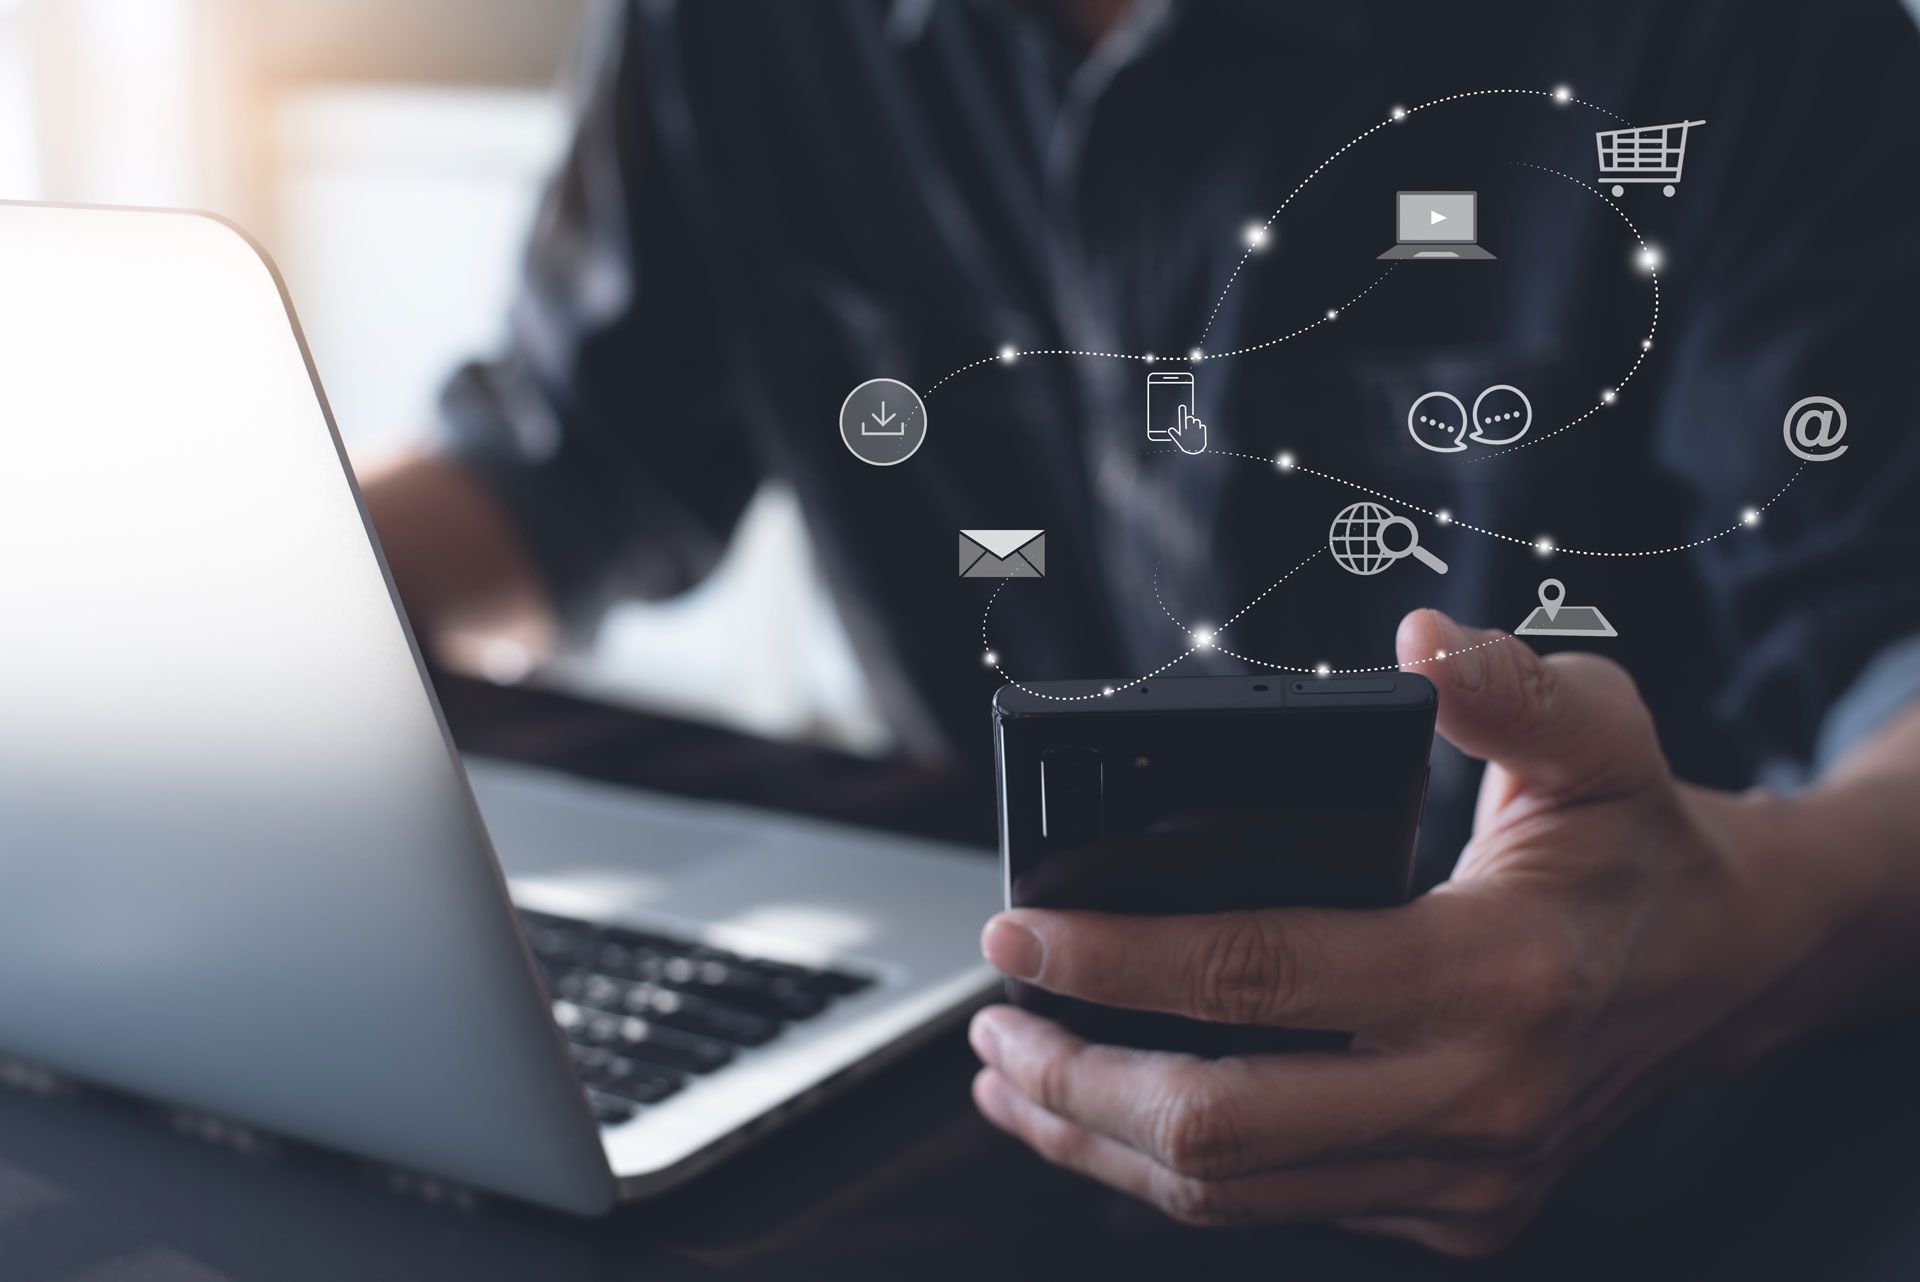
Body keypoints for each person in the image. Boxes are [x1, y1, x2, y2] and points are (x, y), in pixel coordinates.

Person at [359, 0, 1920, 1257]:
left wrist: (1723, 927)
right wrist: (218, 589)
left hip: (1663, 1143)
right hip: (1005, 1085)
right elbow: (566, 466)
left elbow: (1894, 642)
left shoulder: (1738, 36)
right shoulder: (726, 31)